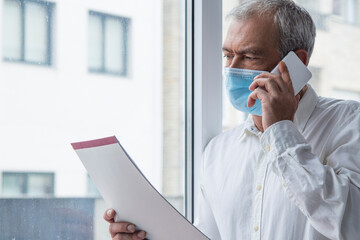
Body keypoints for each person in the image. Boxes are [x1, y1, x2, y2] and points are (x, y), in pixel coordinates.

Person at [103, 0, 360, 239]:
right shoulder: (218, 151)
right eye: (228, 55)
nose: (232, 69)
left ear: (296, 63)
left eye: (249, 57)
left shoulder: (349, 123)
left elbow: (351, 223)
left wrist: (281, 130)